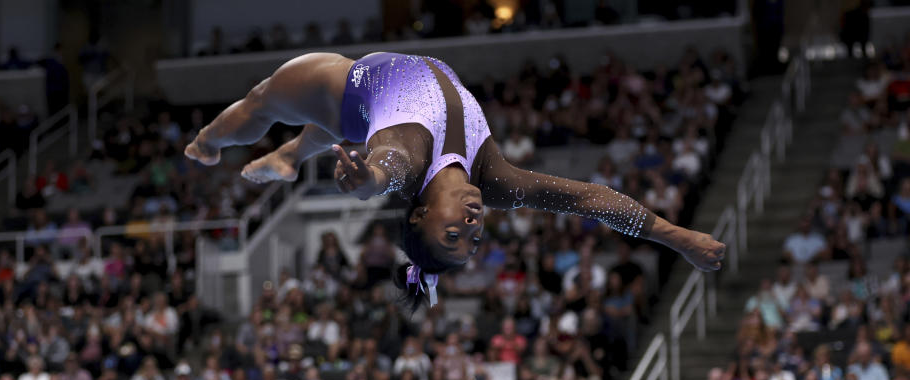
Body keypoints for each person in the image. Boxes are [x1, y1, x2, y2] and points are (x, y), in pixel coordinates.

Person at [186, 52, 725, 310]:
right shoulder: (495, 178)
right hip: (373, 106)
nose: (471, 227)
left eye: (453, 235)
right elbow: (588, 199)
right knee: (322, 130)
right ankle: (292, 153)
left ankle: (209, 141)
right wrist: (676, 238)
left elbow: (383, 171)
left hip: (353, 86)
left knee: (261, 101)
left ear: (419, 214)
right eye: (473, 240)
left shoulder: (407, 158)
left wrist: (365, 182)